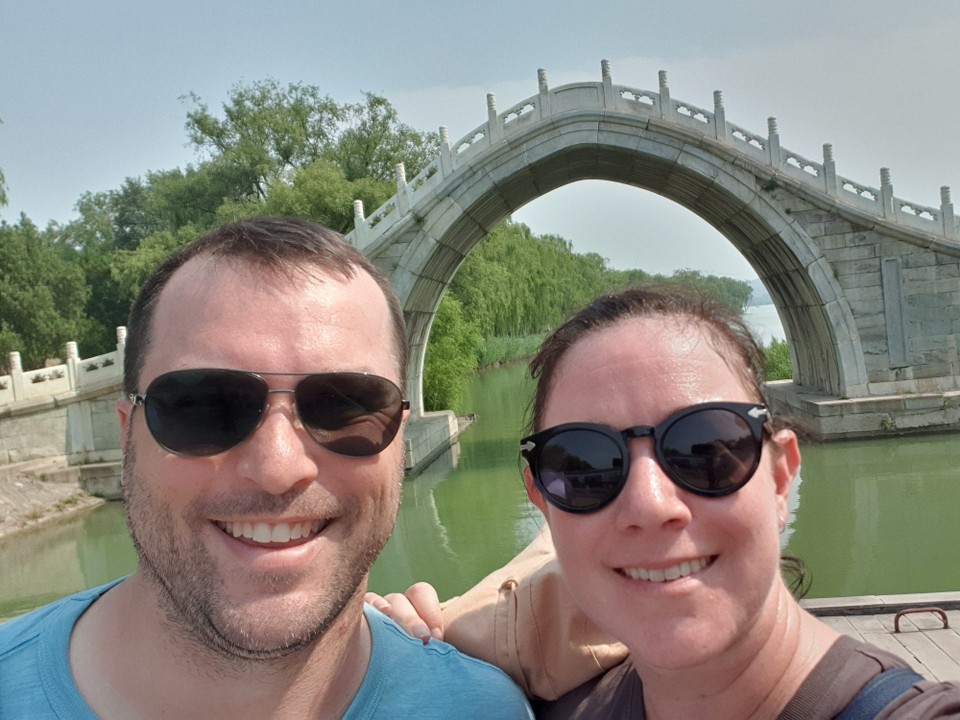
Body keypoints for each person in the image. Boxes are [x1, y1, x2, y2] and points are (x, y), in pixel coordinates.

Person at [0, 217, 532, 719]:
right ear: (126, 434)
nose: (278, 468)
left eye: (345, 406)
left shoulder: (482, 708)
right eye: (206, 407)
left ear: (398, 440)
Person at [369, 285, 960, 718]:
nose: (651, 504)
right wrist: (402, 659)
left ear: (781, 476)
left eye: (705, 445)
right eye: (586, 465)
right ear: (542, 500)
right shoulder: (544, 699)